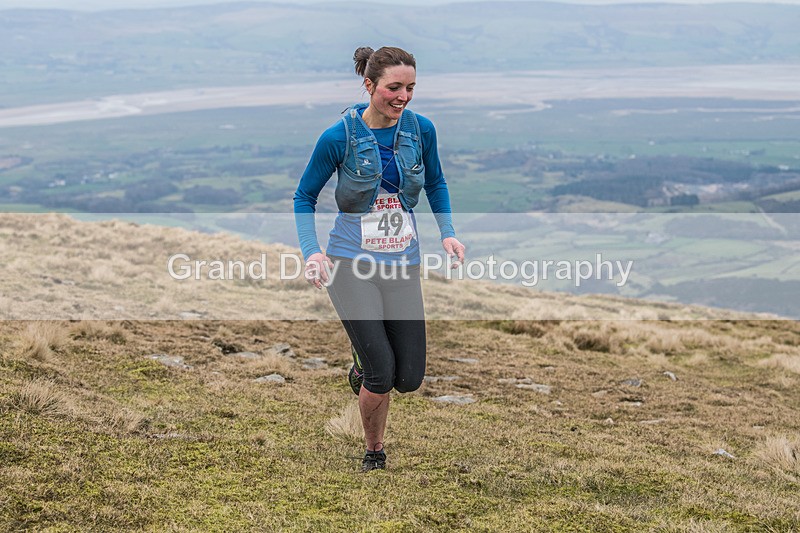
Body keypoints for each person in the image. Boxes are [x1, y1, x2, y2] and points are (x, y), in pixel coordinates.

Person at [293, 46, 465, 472]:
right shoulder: (338, 137)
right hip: (350, 264)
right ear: (369, 86)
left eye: (410, 87)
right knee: (381, 373)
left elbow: (436, 182)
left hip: (402, 263)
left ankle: (360, 365)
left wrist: (448, 234)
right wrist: (312, 252)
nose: (403, 96)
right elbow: (304, 197)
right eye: (394, 87)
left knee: (409, 379)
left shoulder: (422, 130)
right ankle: (374, 449)